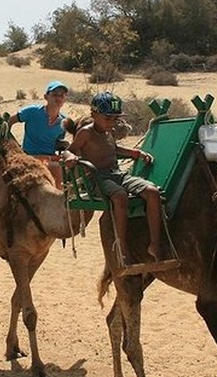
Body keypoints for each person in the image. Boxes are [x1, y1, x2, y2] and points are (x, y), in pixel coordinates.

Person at [64, 92, 177, 270]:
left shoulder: (111, 132)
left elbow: (114, 149)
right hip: (97, 177)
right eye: (108, 117)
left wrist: (135, 153)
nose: (112, 122)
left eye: (115, 118)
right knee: (120, 196)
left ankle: (155, 244)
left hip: (116, 174)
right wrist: (70, 157)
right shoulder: (86, 133)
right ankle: (122, 246)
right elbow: (69, 150)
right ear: (94, 115)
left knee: (152, 192)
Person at [8, 80, 69, 188]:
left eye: (62, 95)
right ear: (46, 97)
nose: (58, 98)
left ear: (65, 98)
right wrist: (11, 142)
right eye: (54, 94)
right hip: (29, 156)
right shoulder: (32, 112)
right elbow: (10, 121)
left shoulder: (64, 122)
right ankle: (60, 199)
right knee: (57, 168)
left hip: (49, 158)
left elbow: (57, 142)